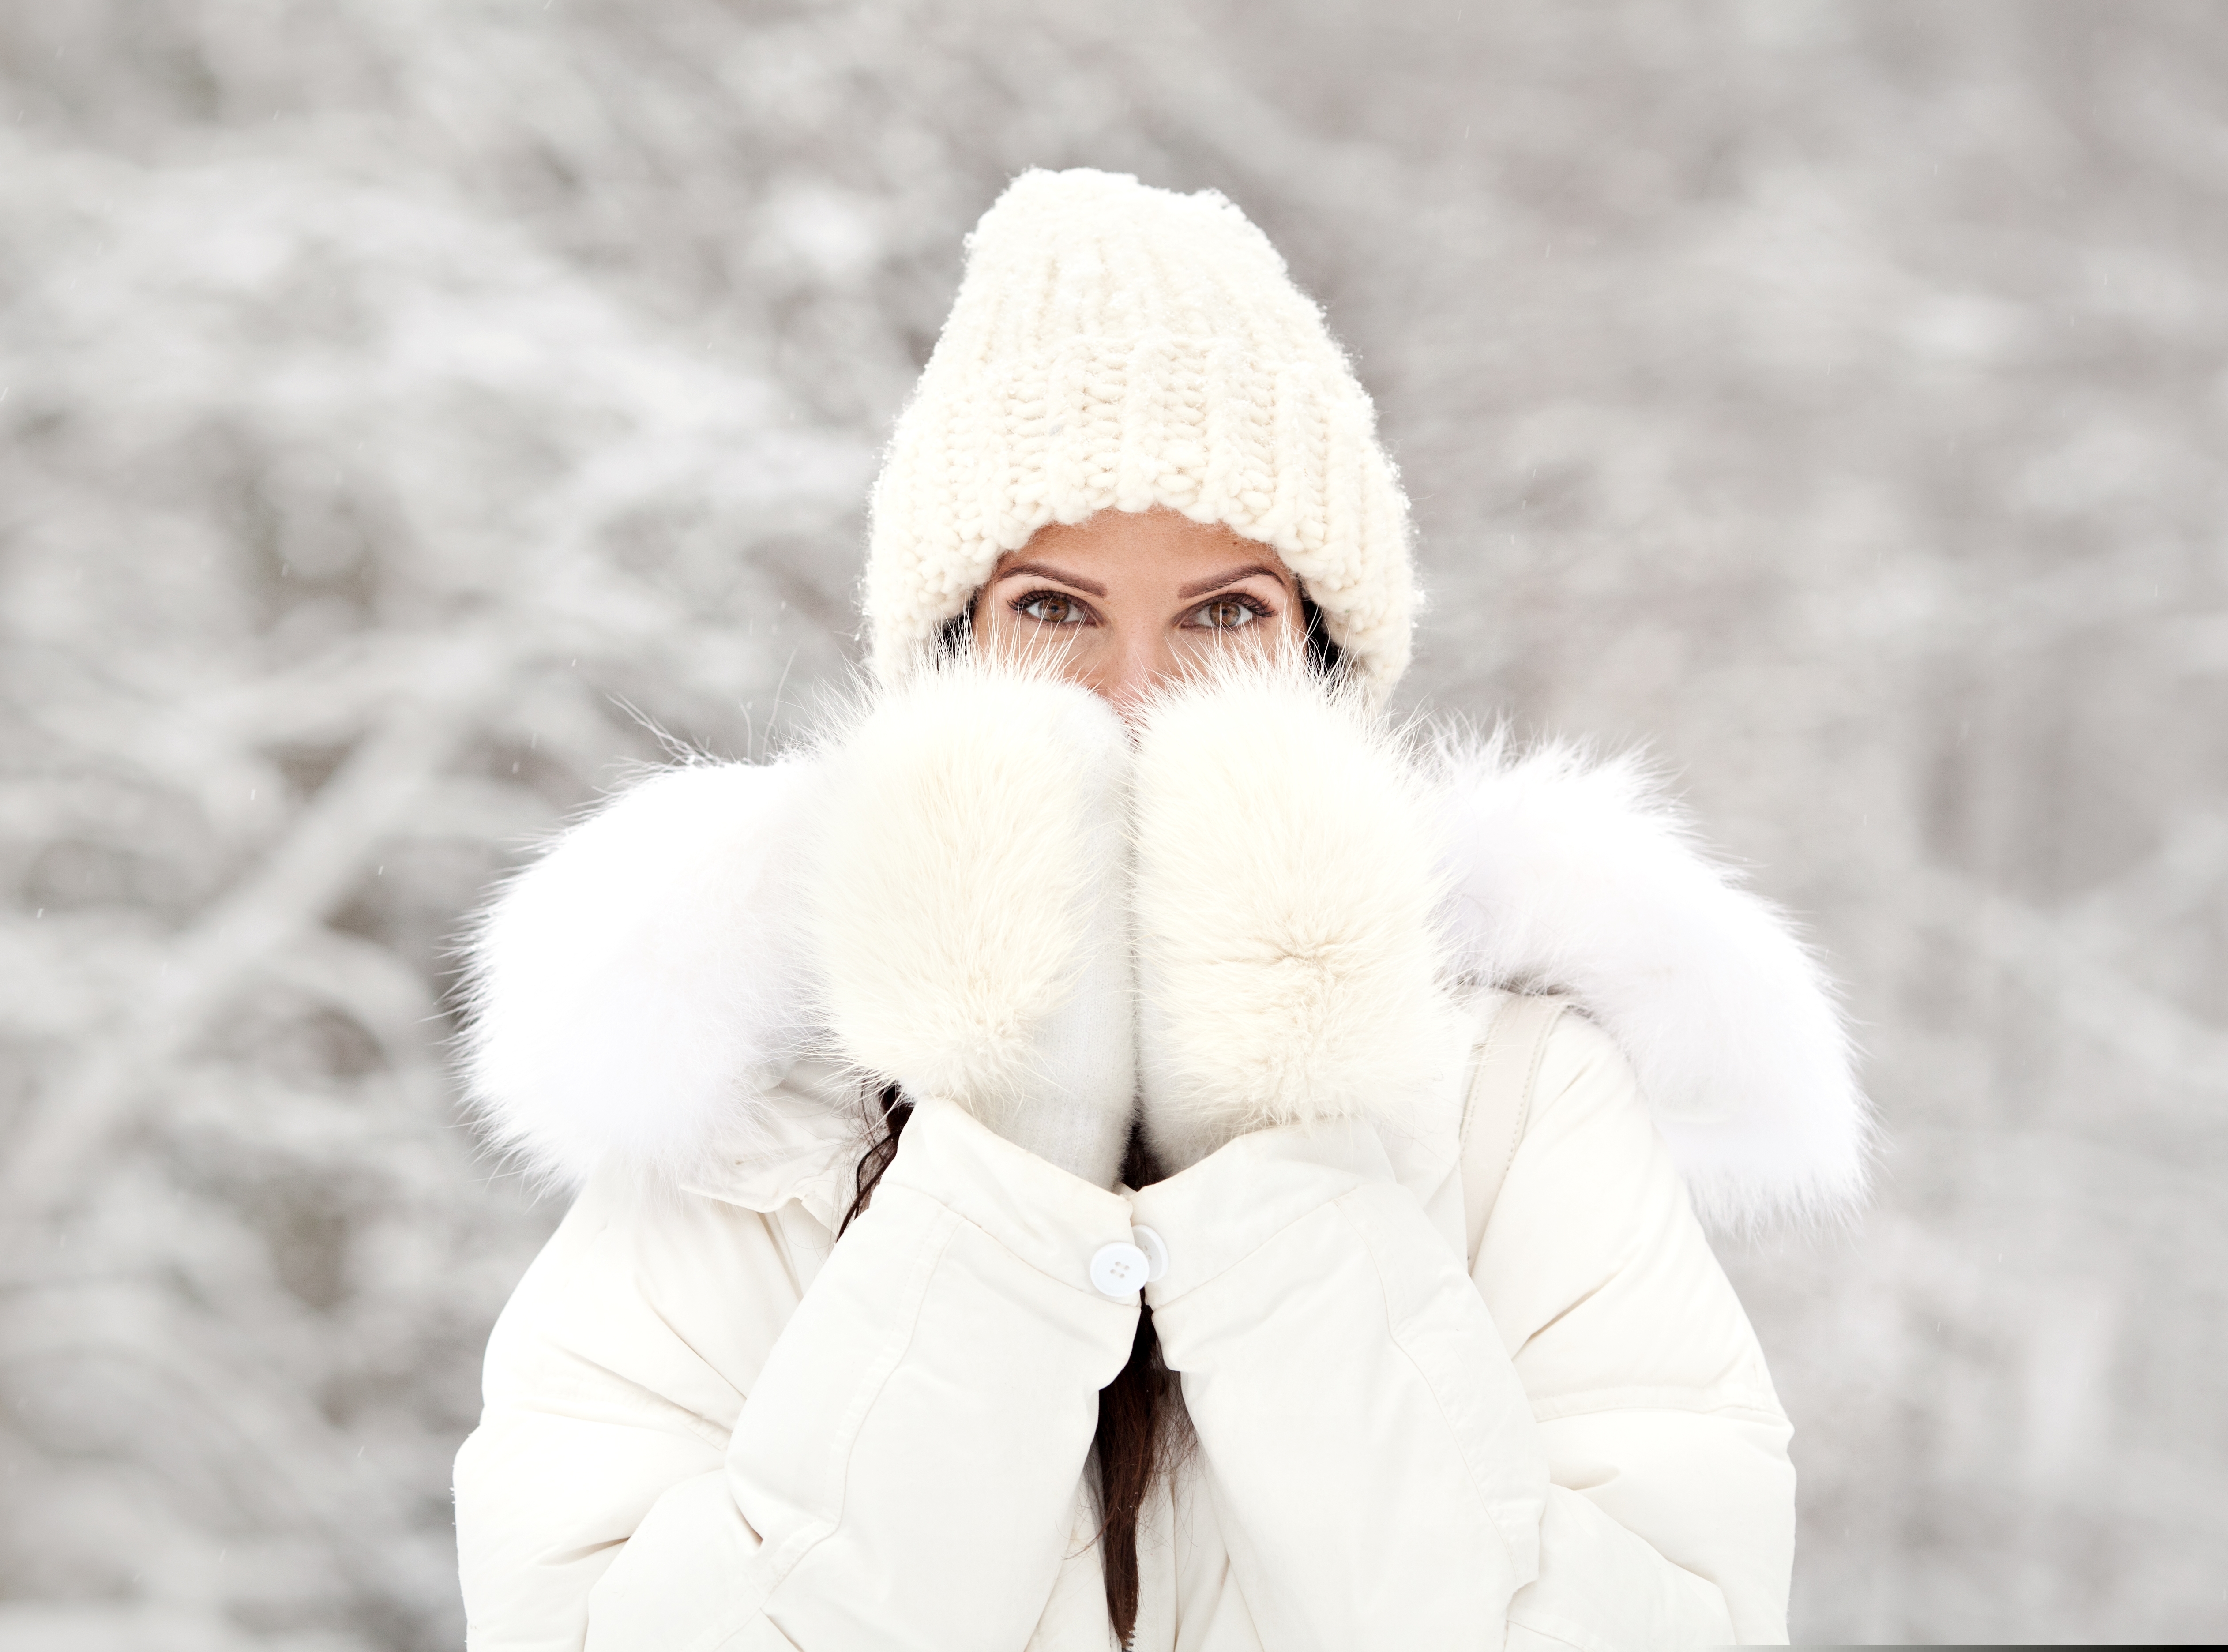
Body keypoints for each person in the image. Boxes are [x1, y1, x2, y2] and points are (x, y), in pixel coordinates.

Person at [451, 169, 1867, 1650]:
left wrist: (1274, 1152)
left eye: (1225, 616)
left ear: (1326, 665)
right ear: (947, 655)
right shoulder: (749, 1109)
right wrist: (1011, 1145)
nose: (1137, 697)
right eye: (1055, 611)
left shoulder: (1520, 1101)